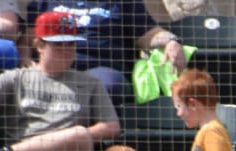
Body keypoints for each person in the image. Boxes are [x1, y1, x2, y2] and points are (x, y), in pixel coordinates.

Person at [0, 11, 123, 151]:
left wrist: (62, 139)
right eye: (58, 44)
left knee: (80, 135)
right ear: (39, 45)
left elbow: (111, 127)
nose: (66, 50)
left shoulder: (90, 83)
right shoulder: (17, 77)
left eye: (71, 44)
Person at [24, 1, 187, 103]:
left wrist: (171, 40)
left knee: (105, 85)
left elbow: (147, 33)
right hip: (54, 66)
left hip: (102, 67)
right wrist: (24, 57)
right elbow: (29, 36)